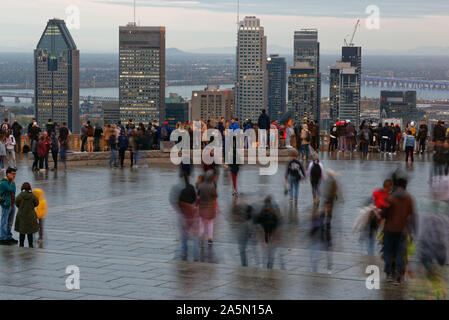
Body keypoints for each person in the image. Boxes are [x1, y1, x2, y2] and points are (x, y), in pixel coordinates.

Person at [380, 176, 416, 284]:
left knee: (388, 252)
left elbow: (384, 213)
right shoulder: (409, 198)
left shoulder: (390, 198)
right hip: (402, 231)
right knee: (400, 253)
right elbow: (411, 215)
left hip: (389, 230)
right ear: (405, 186)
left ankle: (389, 275)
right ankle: (398, 276)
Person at [255, 196, 281, 269]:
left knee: (269, 249)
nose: (267, 207)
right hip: (270, 230)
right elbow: (278, 219)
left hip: (269, 230)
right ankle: (269, 263)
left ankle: (268, 264)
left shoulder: (266, 208)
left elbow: (258, 220)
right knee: (270, 250)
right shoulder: (273, 207)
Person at [177, 174, 199, 261]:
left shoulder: (181, 189)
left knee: (184, 235)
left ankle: (184, 252)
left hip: (184, 214)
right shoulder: (191, 187)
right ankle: (196, 254)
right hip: (192, 213)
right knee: (195, 236)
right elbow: (195, 198)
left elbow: (179, 201)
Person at [14, 182, 39, 248]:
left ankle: (21, 244)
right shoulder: (32, 195)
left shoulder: (20, 195)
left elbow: (16, 202)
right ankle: (30, 244)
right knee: (30, 231)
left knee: (22, 231)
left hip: (21, 215)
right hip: (31, 215)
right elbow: (37, 203)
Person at [196, 170, 218, 245]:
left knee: (201, 222)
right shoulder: (212, 186)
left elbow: (198, 195)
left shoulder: (200, 185)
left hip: (202, 206)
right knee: (210, 222)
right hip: (210, 207)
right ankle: (210, 238)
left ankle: (201, 236)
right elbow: (215, 196)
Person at [0, 167, 17, 245]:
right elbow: (12, 190)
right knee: (4, 221)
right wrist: (13, 182)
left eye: (15, 174)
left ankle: (8, 236)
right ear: (8, 174)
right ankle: (2, 237)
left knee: (10, 222)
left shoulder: (10, 182)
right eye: (13, 174)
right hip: (6, 204)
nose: (14, 175)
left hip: (12, 204)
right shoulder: (4, 183)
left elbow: (13, 191)